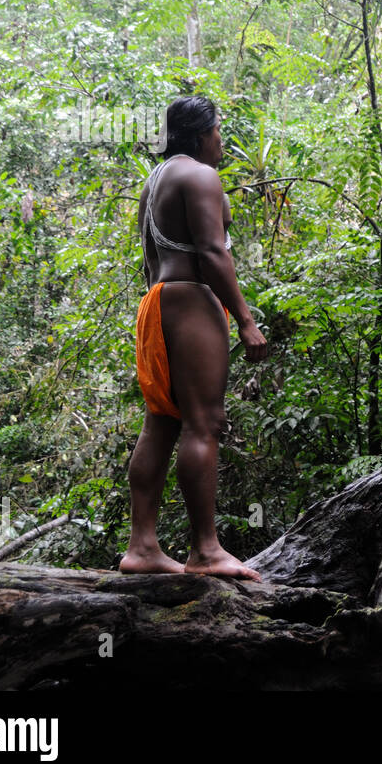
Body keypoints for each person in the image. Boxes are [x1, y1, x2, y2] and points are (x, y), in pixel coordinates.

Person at [121, 96, 268, 580]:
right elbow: (210, 251)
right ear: (201, 133)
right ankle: (205, 551)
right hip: (189, 301)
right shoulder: (200, 176)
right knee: (205, 422)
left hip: (157, 302)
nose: (222, 140)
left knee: (160, 422)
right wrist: (245, 320)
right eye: (218, 130)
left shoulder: (156, 181)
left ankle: (142, 546)